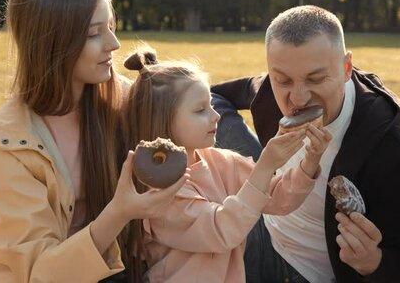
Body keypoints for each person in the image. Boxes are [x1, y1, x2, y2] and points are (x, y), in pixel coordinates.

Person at [0, 0, 188, 283]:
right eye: (94, 33)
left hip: (126, 262)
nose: (114, 44)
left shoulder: (123, 99)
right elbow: (39, 273)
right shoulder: (8, 139)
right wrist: (120, 212)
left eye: (110, 26)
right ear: (53, 43)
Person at [211, 5, 400, 282]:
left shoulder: (394, 151)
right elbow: (214, 97)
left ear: (346, 67)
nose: (299, 98)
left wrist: (372, 262)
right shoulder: (269, 90)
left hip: (311, 272)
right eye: (283, 80)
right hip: (260, 222)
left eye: (315, 79)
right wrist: (232, 170)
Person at [120, 49, 332, 282]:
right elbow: (222, 230)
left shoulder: (220, 162)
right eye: (200, 110)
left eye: (211, 105)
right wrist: (265, 165)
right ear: (162, 119)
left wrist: (309, 162)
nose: (216, 116)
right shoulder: (160, 193)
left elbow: (278, 198)